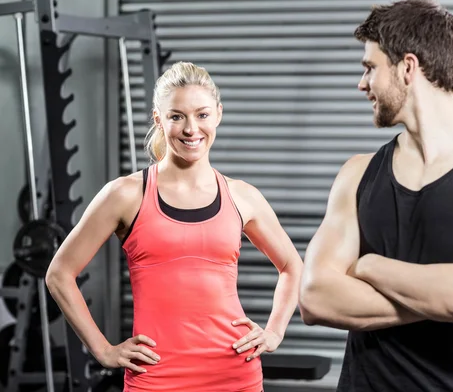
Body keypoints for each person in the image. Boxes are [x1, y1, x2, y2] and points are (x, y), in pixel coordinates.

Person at [299, 0, 453, 392]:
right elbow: (315, 297)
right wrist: (444, 301)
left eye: (370, 68)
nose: (361, 84)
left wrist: (369, 267)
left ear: (408, 68)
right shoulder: (358, 173)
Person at [45, 61, 304, 391]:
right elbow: (59, 273)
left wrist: (274, 331)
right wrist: (103, 350)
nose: (191, 129)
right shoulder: (126, 194)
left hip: (233, 373)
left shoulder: (242, 196)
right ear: (158, 119)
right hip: (155, 377)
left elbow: (291, 265)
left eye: (202, 115)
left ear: (218, 115)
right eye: (176, 116)